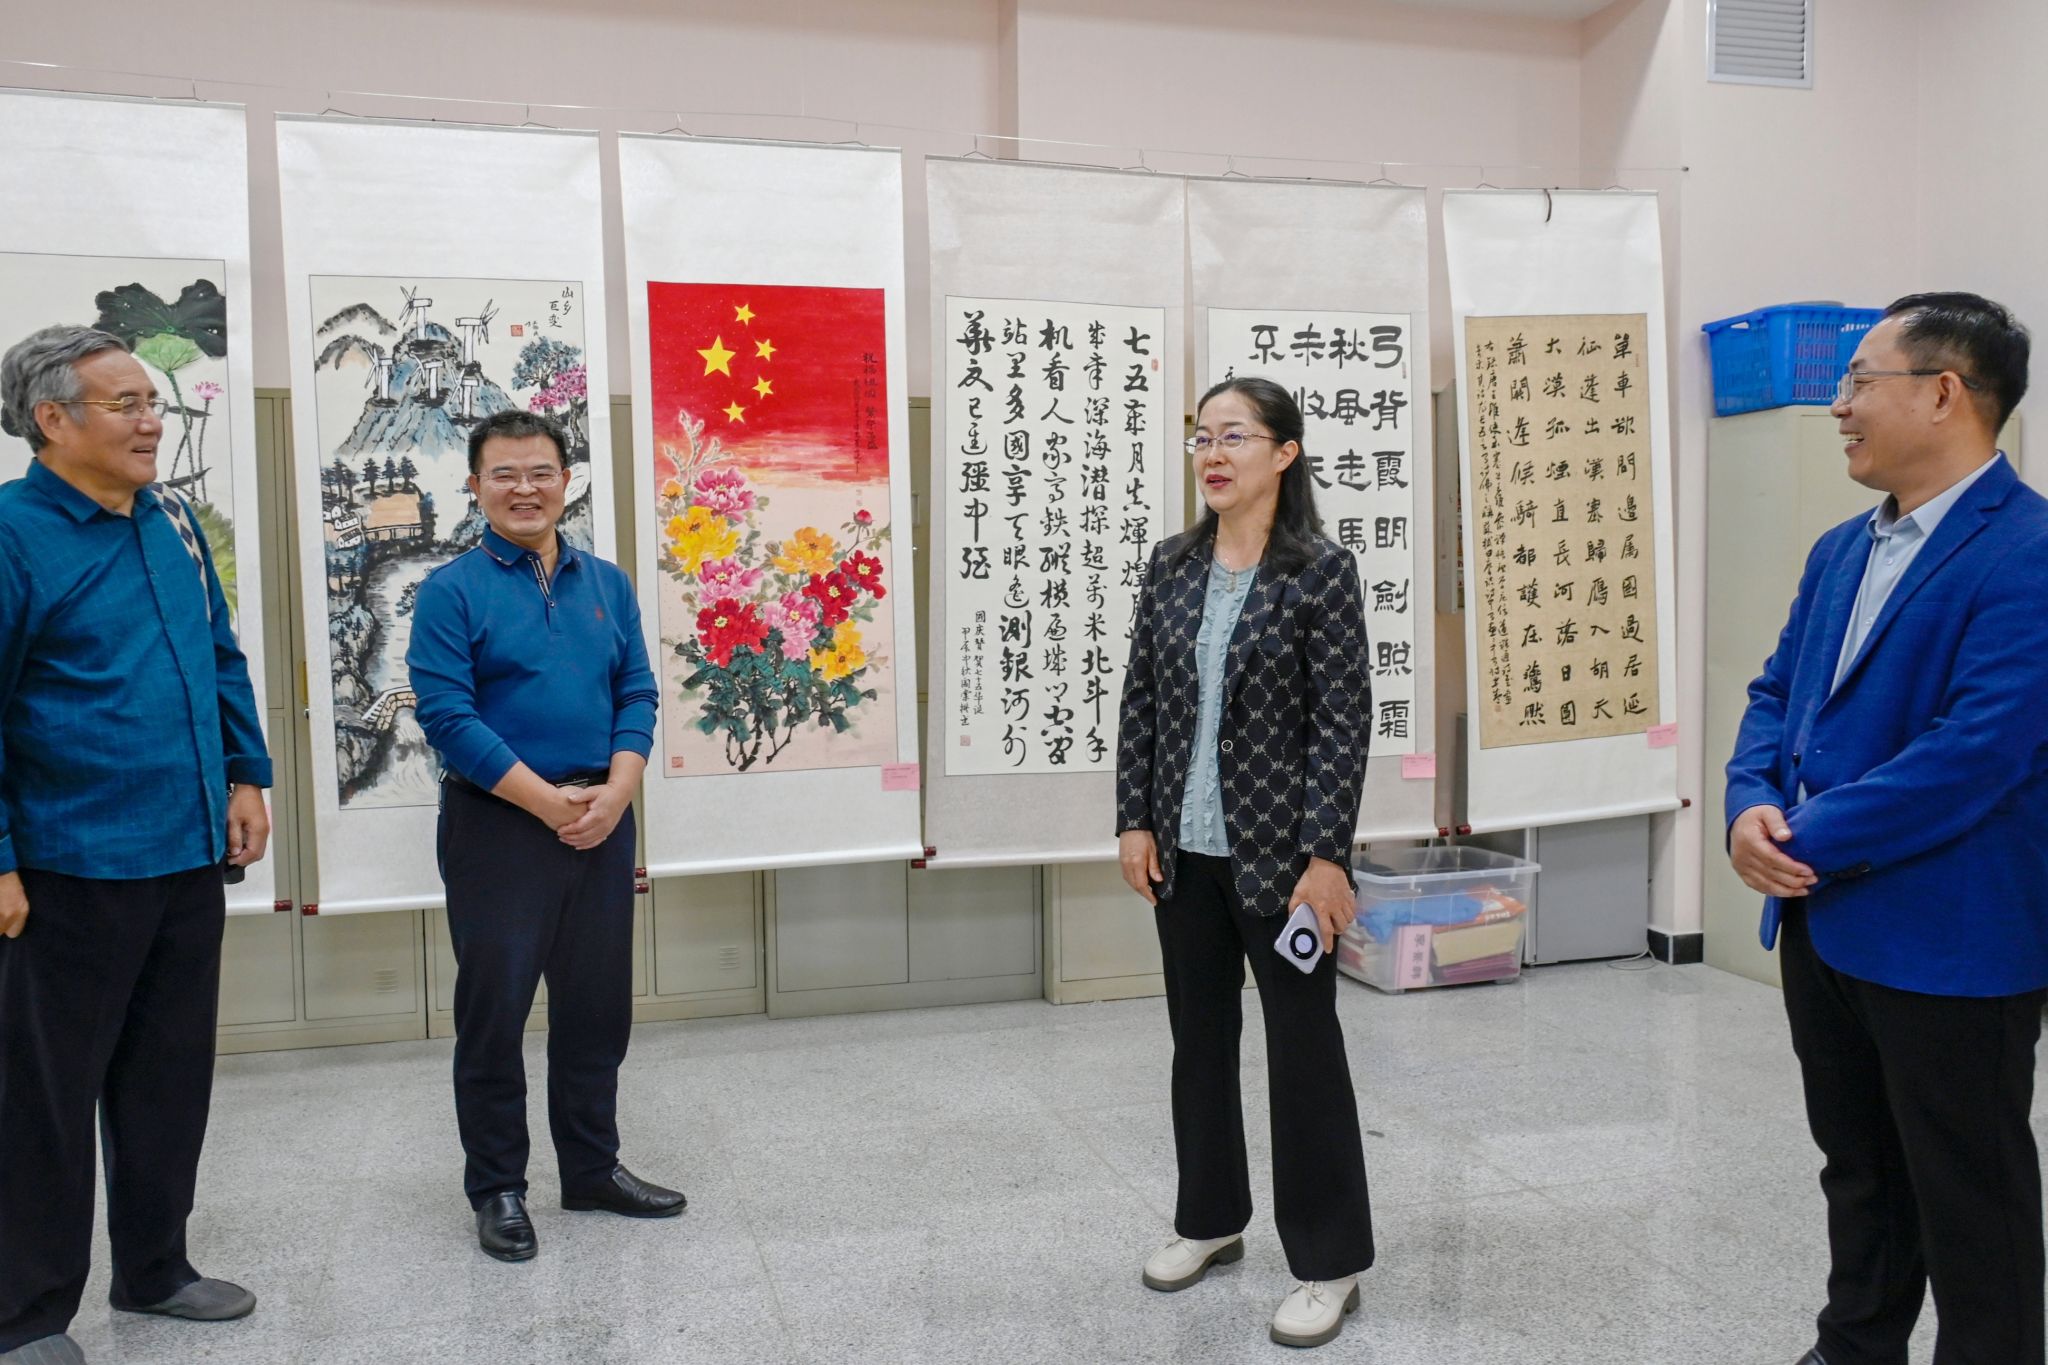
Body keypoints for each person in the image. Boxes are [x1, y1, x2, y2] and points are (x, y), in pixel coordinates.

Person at [1725, 292, 2048, 1365]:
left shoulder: (2030, 551)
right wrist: (1745, 804)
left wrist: (1798, 835)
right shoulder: (1840, 550)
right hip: (1823, 925)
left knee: (1969, 1190)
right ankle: (1854, 1346)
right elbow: (1777, 695)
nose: (1839, 405)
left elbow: (1976, 752)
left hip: (1952, 937)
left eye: (1859, 379)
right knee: (1858, 1165)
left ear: (1944, 393)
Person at [0, 326, 272, 1365]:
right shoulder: (13, 534)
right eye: (126, 404)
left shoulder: (174, 521)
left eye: (153, 401)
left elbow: (218, 655)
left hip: (186, 851)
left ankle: (155, 1268)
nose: (153, 420)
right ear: (51, 419)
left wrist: (246, 774)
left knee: (168, 1077)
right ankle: (25, 1314)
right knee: (45, 1098)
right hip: (67, 864)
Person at [1115, 377, 1375, 1349]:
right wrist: (1133, 821)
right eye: (1201, 438)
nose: (1212, 454)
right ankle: (1210, 1219)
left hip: (1283, 862)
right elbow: (1142, 699)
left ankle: (1329, 1262)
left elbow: (1341, 723)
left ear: (1284, 453)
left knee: (1304, 1055)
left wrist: (1327, 856)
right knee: (1198, 1042)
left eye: (1233, 436)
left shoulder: (1321, 572)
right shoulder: (1172, 564)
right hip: (1183, 855)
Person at [406, 409, 680, 1262]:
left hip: (602, 817)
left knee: (597, 1006)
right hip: (499, 825)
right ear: (475, 485)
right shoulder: (450, 591)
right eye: (504, 474)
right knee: (495, 1012)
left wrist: (618, 789)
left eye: (540, 472)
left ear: (567, 481)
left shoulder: (609, 583)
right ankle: (497, 1186)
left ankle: (592, 1169)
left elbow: (637, 690)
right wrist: (546, 803)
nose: (524, 489)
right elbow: (448, 717)